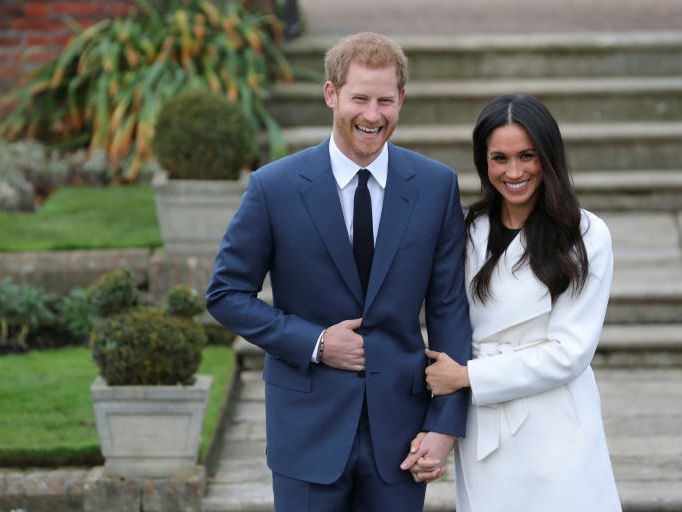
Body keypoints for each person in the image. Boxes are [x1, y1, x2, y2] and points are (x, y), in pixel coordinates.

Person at [206, 32, 472, 512]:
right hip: (306, 428)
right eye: (360, 99)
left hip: (402, 434)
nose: (372, 115)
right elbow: (226, 293)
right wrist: (316, 343)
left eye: (385, 101)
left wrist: (445, 425)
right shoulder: (274, 187)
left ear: (401, 100)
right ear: (331, 94)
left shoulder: (436, 187)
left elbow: (449, 308)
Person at [411, 94, 622, 511]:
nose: (514, 172)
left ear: (549, 156)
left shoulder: (585, 235)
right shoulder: (467, 229)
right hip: (485, 425)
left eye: (527, 156)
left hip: (556, 423)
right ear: (482, 161)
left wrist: (470, 376)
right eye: (499, 158)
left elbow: (570, 354)